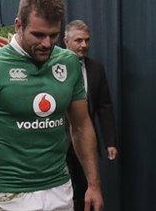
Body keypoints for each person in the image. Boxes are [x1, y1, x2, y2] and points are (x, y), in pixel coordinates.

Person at [0, 0, 104, 211]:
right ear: (19, 25)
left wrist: (94, 184)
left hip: (60, 189)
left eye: (53, 35)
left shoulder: (69, 62)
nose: (46, 43)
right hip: (10, 195)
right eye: (38, 35)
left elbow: (81, 126)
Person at [63, 20, 118, 211]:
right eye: (78, 40)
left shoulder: (96, 68)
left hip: (87, 141)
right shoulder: (51, 68)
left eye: (87, 40)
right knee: (64, 193)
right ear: (66, 41)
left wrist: (110, 141)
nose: (84, 45)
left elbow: (104, 106)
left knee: (88, 192)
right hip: (59, 144)